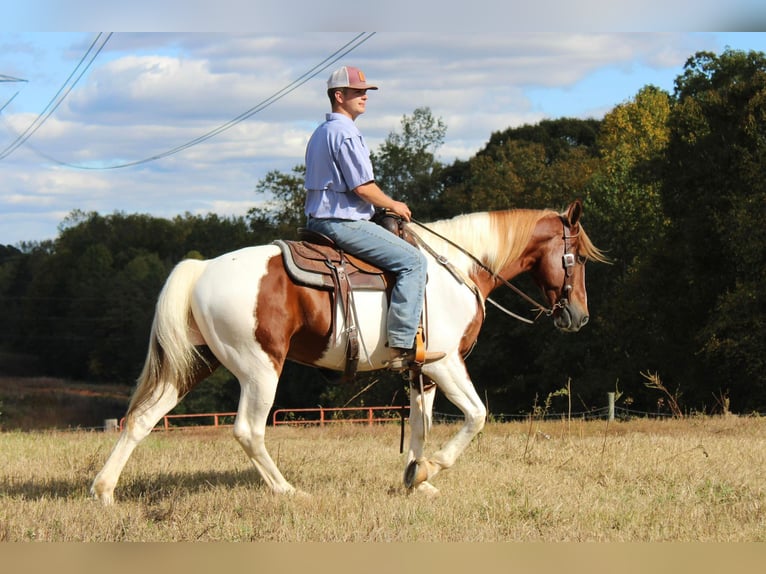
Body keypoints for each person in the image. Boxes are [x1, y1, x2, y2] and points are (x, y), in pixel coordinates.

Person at [303, 65, 444, 371]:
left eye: (366, 91)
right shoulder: (346, 133)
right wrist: (393, 204)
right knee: (414, 262)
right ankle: (402, 346)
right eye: (357, 92)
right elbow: (362, 188)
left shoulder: (320, 132)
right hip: (342, 223)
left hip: (317, 221)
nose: (365, 96)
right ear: (339, 96)